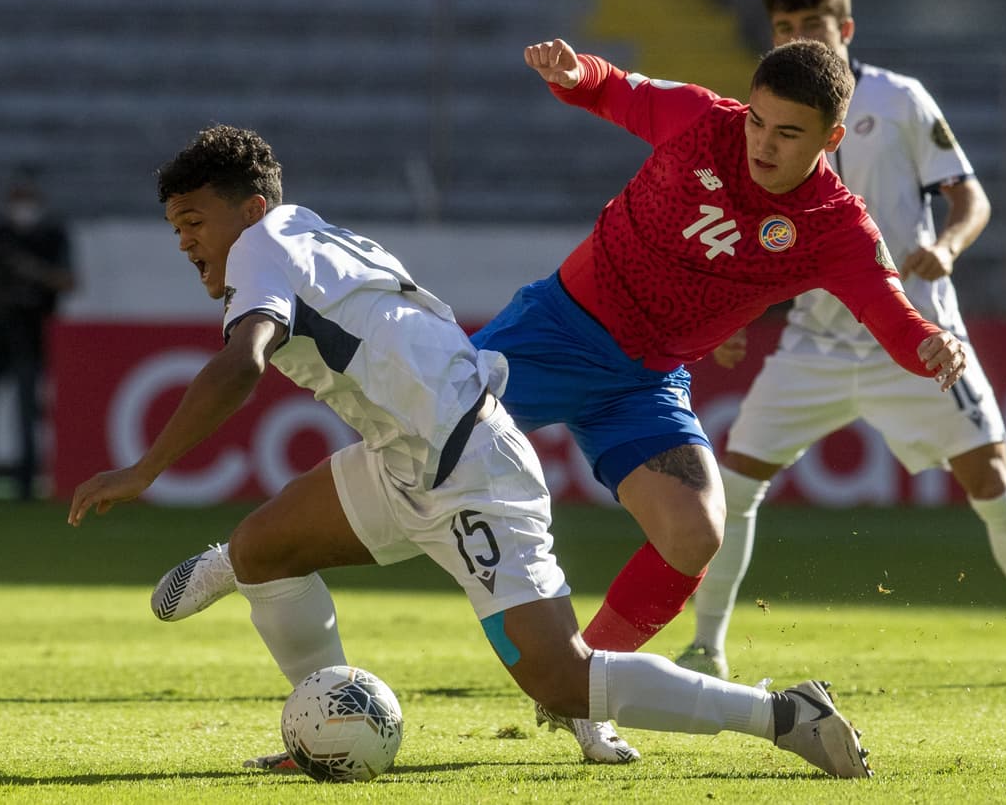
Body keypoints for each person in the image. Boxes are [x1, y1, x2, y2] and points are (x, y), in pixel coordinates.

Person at [67, 124, 874, 779]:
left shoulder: (260, 251)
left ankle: (782, 713)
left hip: (468, 472)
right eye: (176, 229)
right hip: (410, 455)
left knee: (561, 681)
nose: (185, 243)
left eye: (192, 223)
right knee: (264, 547)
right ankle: (316, 718)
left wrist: (144, 468)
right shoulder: (311, 234)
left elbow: (241, 365)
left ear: (247, 209)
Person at [460, 35, 967, 760]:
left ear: (831, 138)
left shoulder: (835, 225)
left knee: (695, 533)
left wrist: (930, 345)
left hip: (645, 382)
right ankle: (249, 565)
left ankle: (582, 691)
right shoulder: (702, 120)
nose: (761, 142)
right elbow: (616, 90)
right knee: (416, 460)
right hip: (555, 332)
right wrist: (574, 73)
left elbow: (889, 310)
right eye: (758, 121)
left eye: (788, 133)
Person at [673, 0, 1006, 687]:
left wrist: (945, 246)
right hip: (816, 339)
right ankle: (706, 645)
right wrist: (730, 312)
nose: (798, 38)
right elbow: (753, 227)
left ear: (846, 29)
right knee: (735, 483)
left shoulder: (898, 99)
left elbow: (971, 198)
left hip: (917, 336)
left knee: (991, 477)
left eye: (813, 26)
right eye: (783, 28)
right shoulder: (765, 112)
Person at [0, 172, 75, 500]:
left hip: (31, 334)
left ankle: (25, 485)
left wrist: (30, 270)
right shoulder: (0, 233)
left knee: (25, 411)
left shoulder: (52, 235)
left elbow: (68, 281)